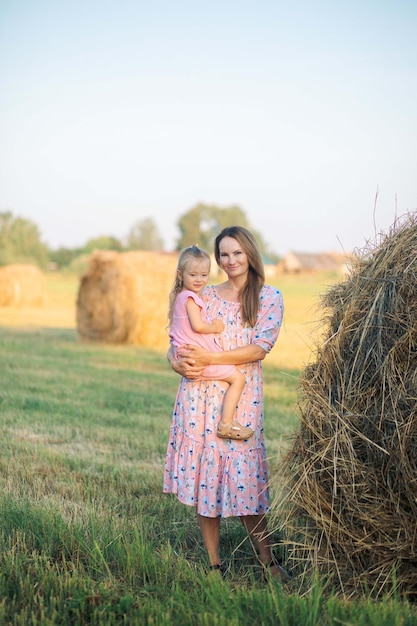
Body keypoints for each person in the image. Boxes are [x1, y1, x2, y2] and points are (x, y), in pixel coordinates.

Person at [163, 226, 287, 581]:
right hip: (199, 397)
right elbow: (177, 338)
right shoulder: (204, 295)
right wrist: (176, 359)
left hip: (242, 397)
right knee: (206, 477)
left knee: (245, 479)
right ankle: (214, 564)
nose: (230, 260)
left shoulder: (269, 297)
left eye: (236, 253)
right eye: (224, 254)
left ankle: (268, 561)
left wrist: (209, 358)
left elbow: (259, 348)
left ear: (250, 253)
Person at [168, 245, 253, 440]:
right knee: (238, 379)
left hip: (189, 355)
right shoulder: (190, 298)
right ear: (181, 275)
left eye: (204, 275)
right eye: (193, 275)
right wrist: (215, 326)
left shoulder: (181, 298)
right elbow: (198, 326)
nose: (199, 280)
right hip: (198, 358)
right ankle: (226, 424)